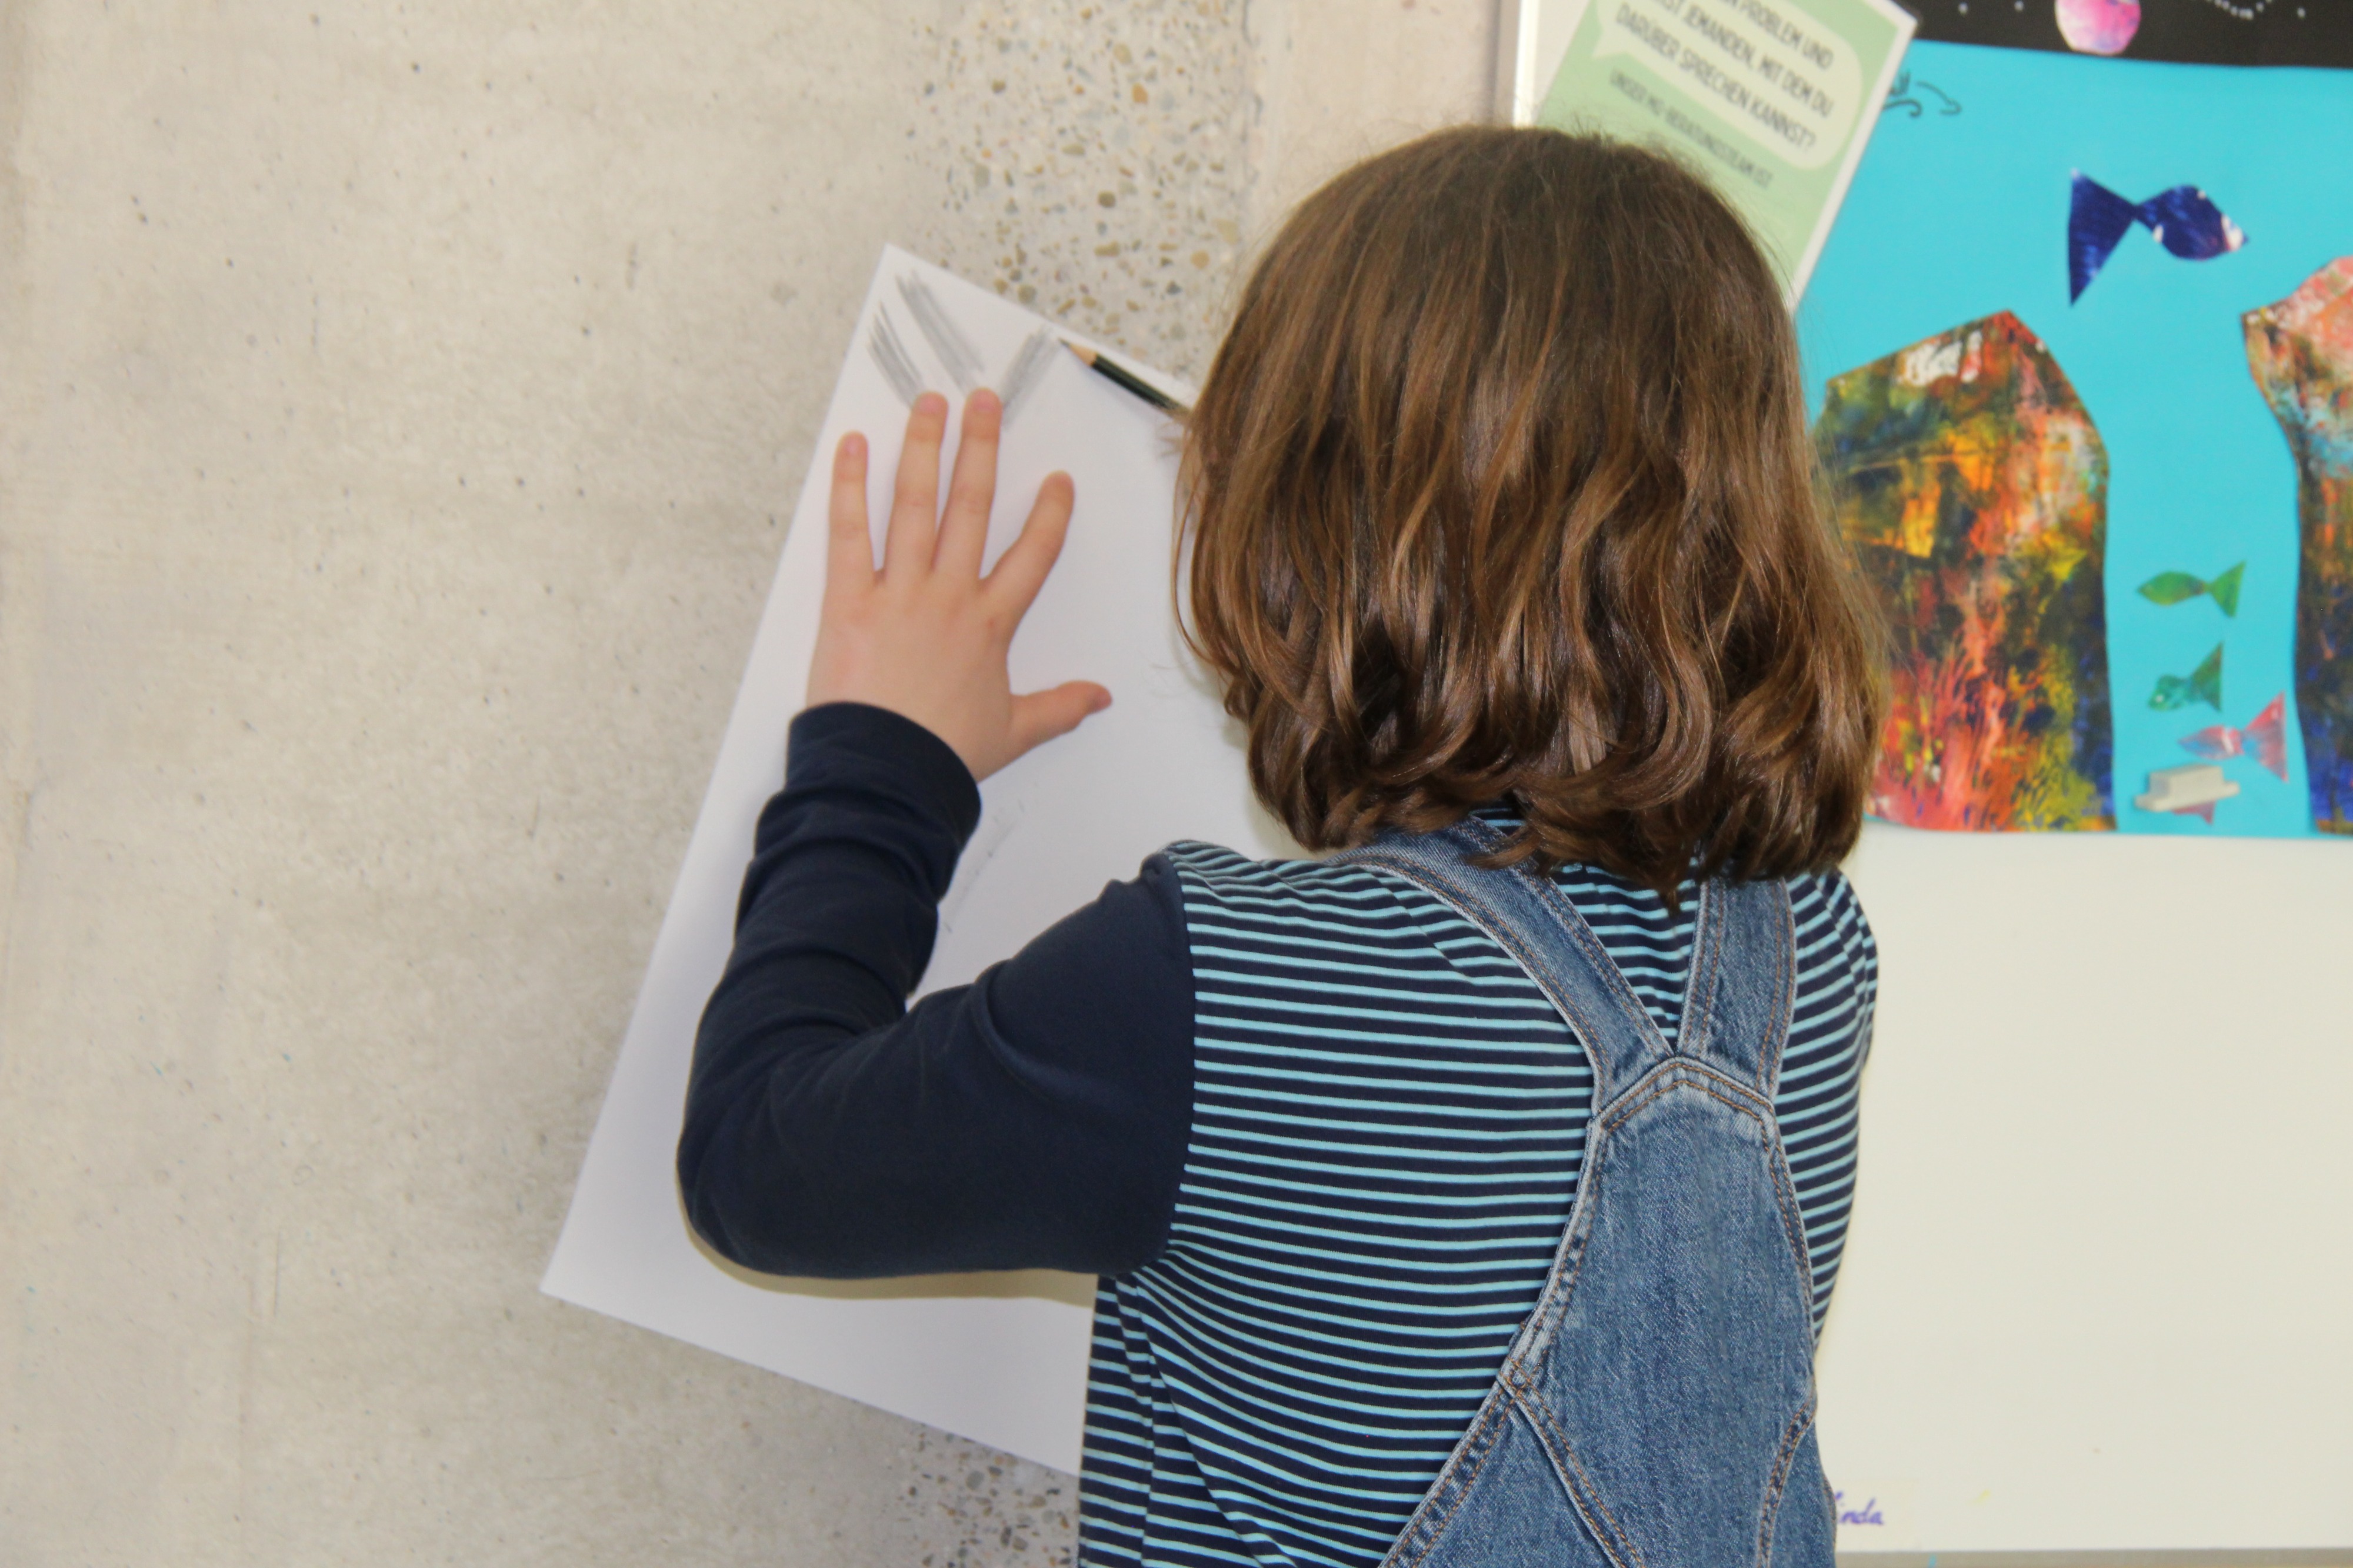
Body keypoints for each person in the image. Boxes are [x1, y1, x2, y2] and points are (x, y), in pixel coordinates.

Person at [677, 126, 1884, 1568]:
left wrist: (884, 757)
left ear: (1310, 521)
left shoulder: (1217, 989)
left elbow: (758, 1162)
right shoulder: (1812, 956)